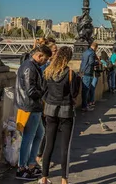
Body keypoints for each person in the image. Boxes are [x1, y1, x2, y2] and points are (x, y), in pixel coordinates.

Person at [39, 46, 80, 184]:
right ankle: (64, 179)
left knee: (49, 144)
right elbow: (74, 92)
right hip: (66, 111)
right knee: (65, 147)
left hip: (50, 110)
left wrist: (50, 101)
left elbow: (43, 90)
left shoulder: (48, 71)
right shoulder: (70, 74)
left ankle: (44, 177)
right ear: (68, 58)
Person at [15, 44, 52, 181]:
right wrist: (44, 91)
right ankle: (22, 168)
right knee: (28, 137)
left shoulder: (31, 66)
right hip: (29, 106)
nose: (46, 62)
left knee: (39, 134)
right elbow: (31, 91)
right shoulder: (30, 68)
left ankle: (31, 164)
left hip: (33, 106)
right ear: (39, 55)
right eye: (46, 59)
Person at [79, 41, 98, 113]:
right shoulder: (92, 53)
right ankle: (84, 106)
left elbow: (82, 62)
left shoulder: (85, 52)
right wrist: (97, 63)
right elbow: (91, 63)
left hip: (83, 72)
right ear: (96, 47)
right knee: (86, 90)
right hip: (88, 72)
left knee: (84, 90)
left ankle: (84, 106)